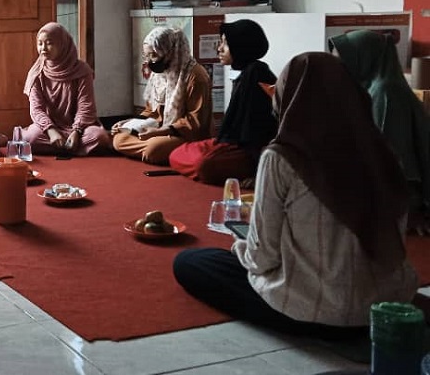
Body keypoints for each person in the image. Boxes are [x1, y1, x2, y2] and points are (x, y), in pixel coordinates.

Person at [173, 53, 418, 337]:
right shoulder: (384, 154)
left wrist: (241, 241)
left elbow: (261, 257)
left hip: (310, 312)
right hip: (384, 309)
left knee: (191, 263)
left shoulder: (283, 157)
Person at [329, 29, 430, 233]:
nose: (338, 70)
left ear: (364, 59)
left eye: (343, 62)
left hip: (401, 209)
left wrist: (408, 213)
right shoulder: (374, 87)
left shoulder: (386, 92)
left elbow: (393, 159)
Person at [169, 20, 277, 186]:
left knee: (204, 165)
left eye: (226, 44)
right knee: (176, 154)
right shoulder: (245, 73)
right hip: (229, 142)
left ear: (241, 47)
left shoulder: (256, 74)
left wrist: (258, 173)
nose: (219, 48)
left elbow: (257, 131)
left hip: (248, 150)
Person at [112, 26, 211, 165]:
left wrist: (159, 133)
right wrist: (129, 123)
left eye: (154, 55)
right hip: (157, 128)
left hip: (183, 134)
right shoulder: (160, 75)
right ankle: (162, 151)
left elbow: (195, 122)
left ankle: (159, 150)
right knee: (119, 139)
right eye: (147, 56)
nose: (149, 61)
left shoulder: (195, 76)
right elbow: (151, 110)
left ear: (170, 52)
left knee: (153, 149)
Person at [21, 22, 112, 156]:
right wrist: (51, 131)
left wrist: (77, 131)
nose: (43, 48)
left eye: (49, 43)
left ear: (62, 44)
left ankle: (65, 145)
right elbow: (36, 109)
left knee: (99, 137)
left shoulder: (81, 70)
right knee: (31, 138)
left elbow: (85, 107)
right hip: (48, 129)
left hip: (79, 129)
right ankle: (71, 148)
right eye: (40, 43)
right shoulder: (36, 73)